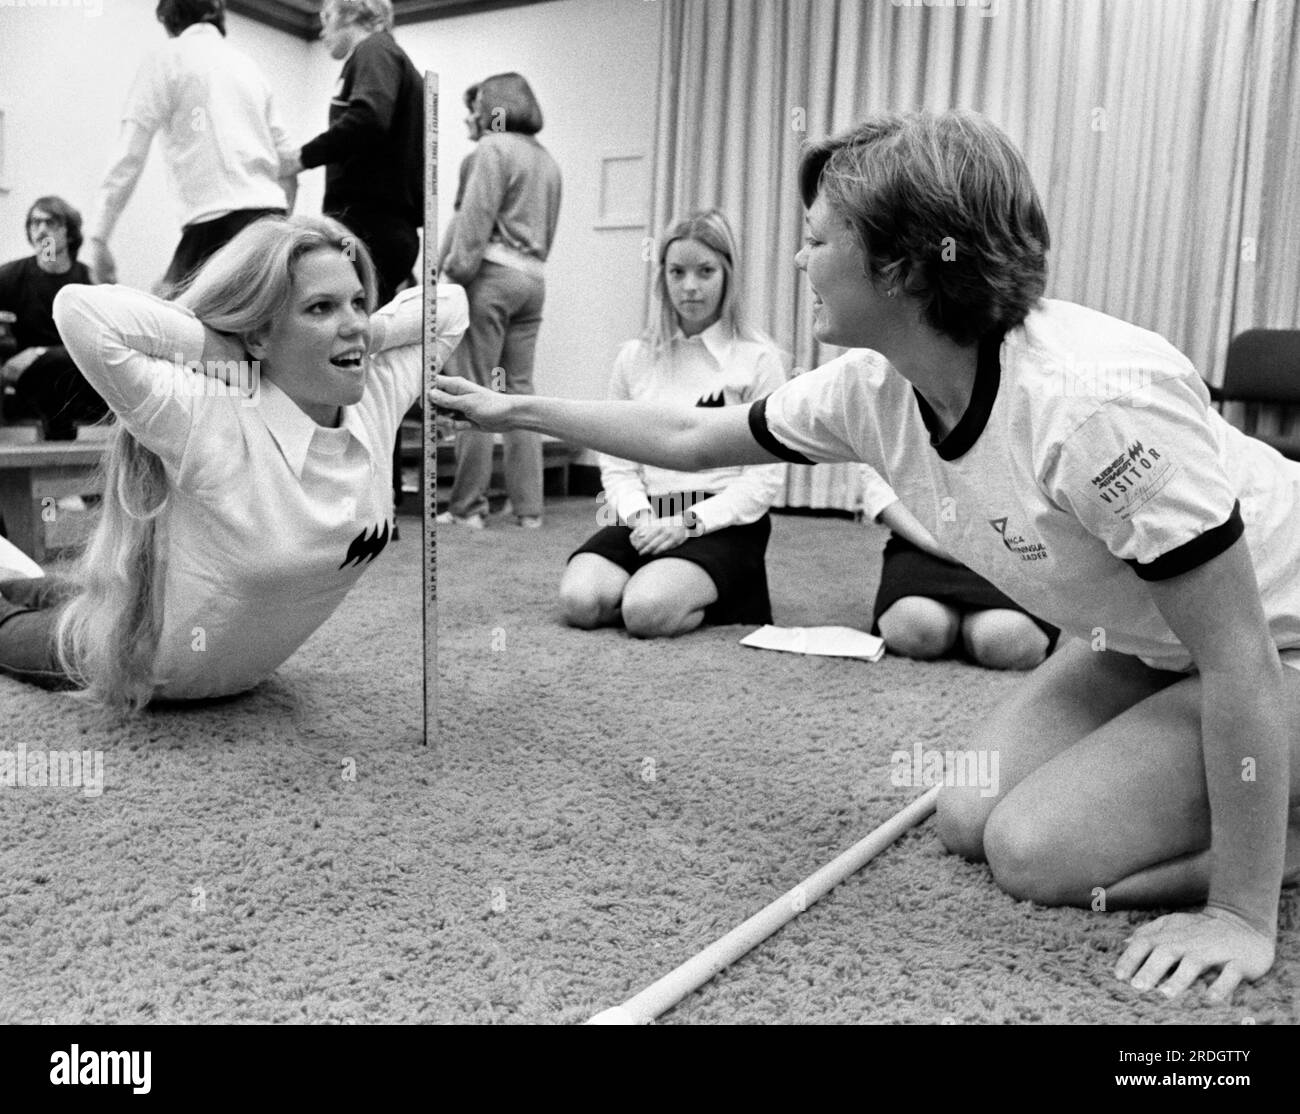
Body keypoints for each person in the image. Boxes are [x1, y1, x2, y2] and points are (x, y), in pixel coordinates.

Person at [430, 111, 1300, 1004]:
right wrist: (520, 412)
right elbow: (692, 434)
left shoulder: (1096, 408)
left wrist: (1238, 909)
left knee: (1034, 852)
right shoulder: (873, 387)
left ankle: (1279, 849)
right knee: (966, 811)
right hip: (1148, 642)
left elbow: (1240, 655)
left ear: (907, 266)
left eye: (816, 241)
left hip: (1273, 647)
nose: (800, 262)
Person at [0, 215, 466, 712]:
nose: (352, 322)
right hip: (146, 666)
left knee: (63, 591)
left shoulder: (370, 394)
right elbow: (81, 311)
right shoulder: (208, 413)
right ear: (261, 336)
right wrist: (228, 348)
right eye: (321, 307)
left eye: (357, 302)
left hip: (237, 673)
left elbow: (452, 306)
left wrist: (364, 331)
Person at [562, 210, 786, 638]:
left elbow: (762, 481)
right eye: (677, 271)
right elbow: (616, 459)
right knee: (580, 601)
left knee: (646, 613)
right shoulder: (634, 357)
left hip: (724, 517)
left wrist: (687, 523)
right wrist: (640, 515)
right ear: (661, 275)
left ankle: (703, 588)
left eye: (705, 272)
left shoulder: (758, 359)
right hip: (650, 510)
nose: (690, 287)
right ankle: (658, 581)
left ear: (728, 274)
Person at [85, 0, 297, 295]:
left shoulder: (167, 59)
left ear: (170, 22)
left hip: (215, 223)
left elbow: (128, 155)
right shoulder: (248, 66)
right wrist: (280, 226)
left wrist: (98, 237)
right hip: (270, 218)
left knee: (169, 318)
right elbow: (289, 163)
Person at [438, 72, 562, 530]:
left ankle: (468, 507)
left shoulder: (491, 149)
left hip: (491, 278)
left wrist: (449, 279)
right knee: (519, 393)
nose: (471, 116)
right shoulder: (547, 161)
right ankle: (528, 509)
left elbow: (473, 225)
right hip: (533, 282)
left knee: (475, 391)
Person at [288, 0, 423, 308]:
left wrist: (300, 159)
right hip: (383, 228)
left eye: (327, 17)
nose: (323, 30)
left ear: (352, 13)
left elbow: (369, 119)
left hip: (368, 226)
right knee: (359, 324)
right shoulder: (388, 56)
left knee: (351, 328)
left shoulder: (374, 50)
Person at [860, 464, 1056, 669]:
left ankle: (967, 628)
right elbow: (878, 481)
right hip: (923, 535)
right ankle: (958, 627)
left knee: (1006, 640)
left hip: (1010, 545)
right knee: (917, 629)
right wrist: (935, 543)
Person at [0, 197, 110, 440]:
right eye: (34, 222)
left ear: (69, 233)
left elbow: (101, 342)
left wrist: (40, 353)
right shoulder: (9, 278)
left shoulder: (89, 281)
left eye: (50, 222)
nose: (41, 230)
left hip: (80, 376)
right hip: (29, 382)